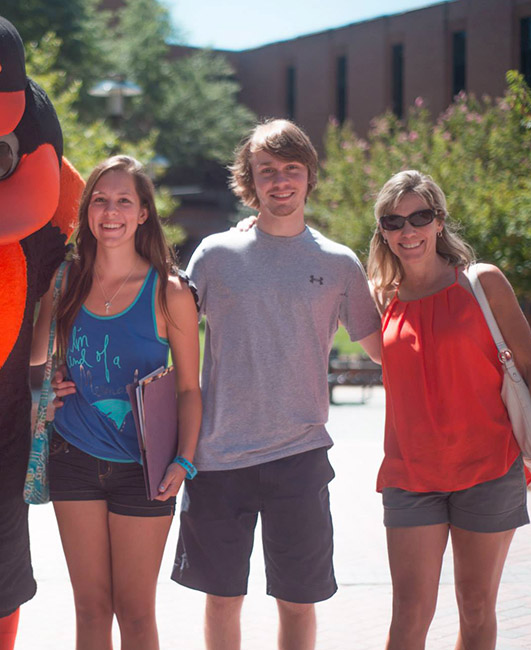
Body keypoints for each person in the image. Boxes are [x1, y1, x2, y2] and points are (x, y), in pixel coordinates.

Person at [171, 118, 382, 650]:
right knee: (222, 599)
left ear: (310, 176)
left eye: (292, 169)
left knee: (298, 601)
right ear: (250, 181)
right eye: (267, 171)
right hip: (217, 457)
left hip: (299, 456)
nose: (280, 181)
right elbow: (165, 340)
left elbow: (390, 350)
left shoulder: (338, 264)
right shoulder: (215, 255)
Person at [367, 170, 531, 649]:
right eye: (394, 221)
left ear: (439, 221)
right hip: (409, 476)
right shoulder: (382, 299)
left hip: (487, 468)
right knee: (409, 615)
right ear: (382, 231)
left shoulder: (481, 283)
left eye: (420, 216)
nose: (408, 231)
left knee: (477, 606)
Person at [31, 155, 202, 650]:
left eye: (124, 201)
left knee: (135, 612)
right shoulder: (66, 281)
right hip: (74, 458)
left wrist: (185, 460)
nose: (111, 211)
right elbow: (35, 356)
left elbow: (190, 388)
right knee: (90, 609)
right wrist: (52, 377)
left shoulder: (169, 292)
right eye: (100, 200)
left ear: (143, 213)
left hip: (143, 469)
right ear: (86, 211)